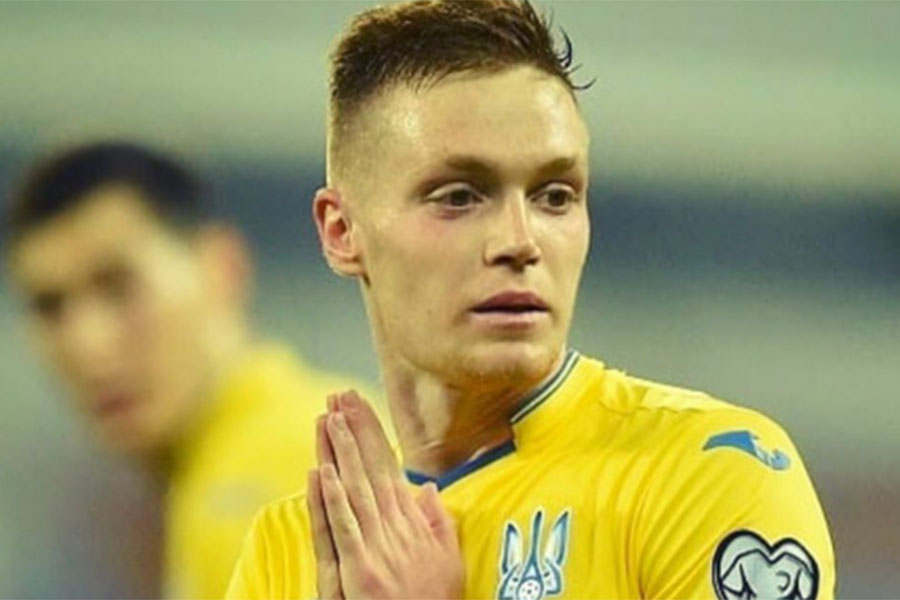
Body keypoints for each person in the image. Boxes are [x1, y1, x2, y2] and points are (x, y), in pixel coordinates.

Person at [226, 1, 836, 598]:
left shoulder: (709, 474)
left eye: (555, 196)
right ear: (341, 231)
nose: (519, 241)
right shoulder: (289, 549)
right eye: (459, 197)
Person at [4, 141, 375, 599]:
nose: (89, 345)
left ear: (221, 267)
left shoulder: (264, 484)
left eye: (119, 288)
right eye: (51, 307)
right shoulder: (296, 434)